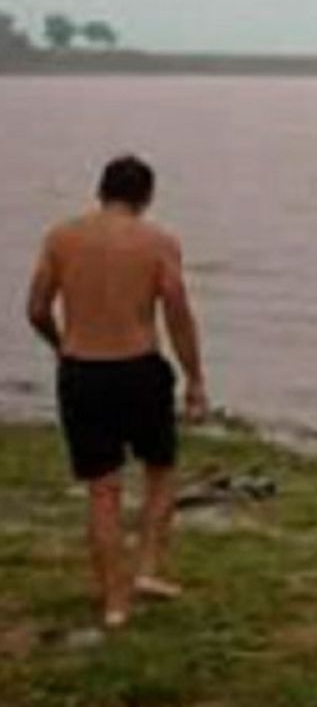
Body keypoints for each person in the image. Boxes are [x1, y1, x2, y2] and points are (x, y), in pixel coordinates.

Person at [25, 154, 208, 629]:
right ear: (146, 196)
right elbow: (178, 313)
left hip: (82, 370)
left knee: (103, 491)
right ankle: (146, 569)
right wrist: (195, 380)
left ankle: (114, 605)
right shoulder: (158, 242)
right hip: (139, 369)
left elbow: (37, 308)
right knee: (161, 471)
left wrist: (63, 344)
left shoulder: (61, 238)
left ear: (100, 191)